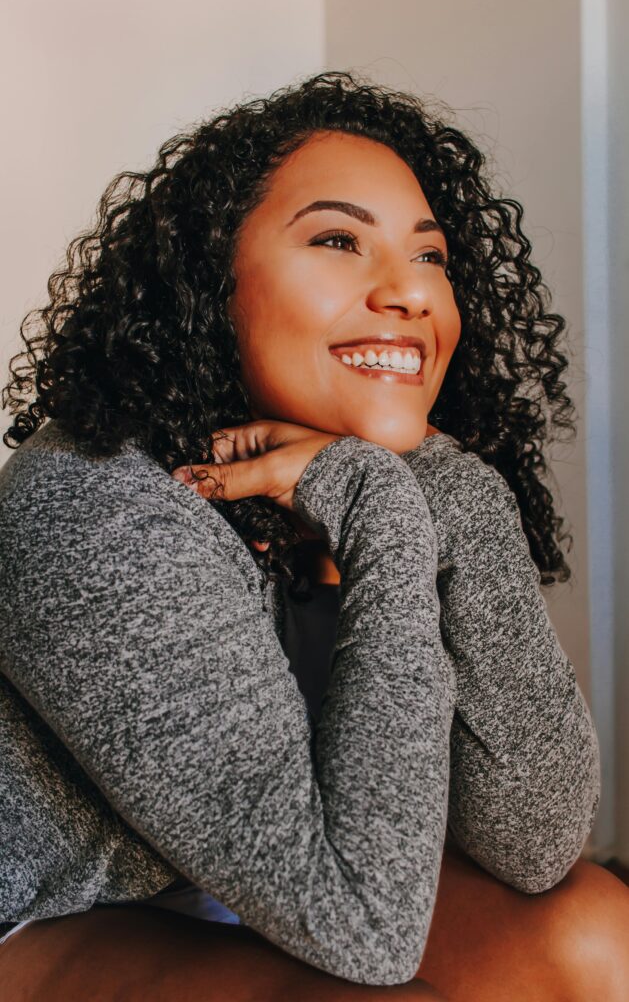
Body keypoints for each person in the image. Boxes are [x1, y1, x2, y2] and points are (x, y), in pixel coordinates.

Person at [0, 70, 627, 1001]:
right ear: (209, 283)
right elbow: (364, 929)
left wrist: (448, 489)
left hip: (279, 882)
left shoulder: (400, 471)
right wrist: (378, 515)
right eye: (338, 241)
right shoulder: (95, 498)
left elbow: (533, 842)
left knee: (595, 934)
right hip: (60, 908)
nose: (410, 294)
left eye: (431, 257)